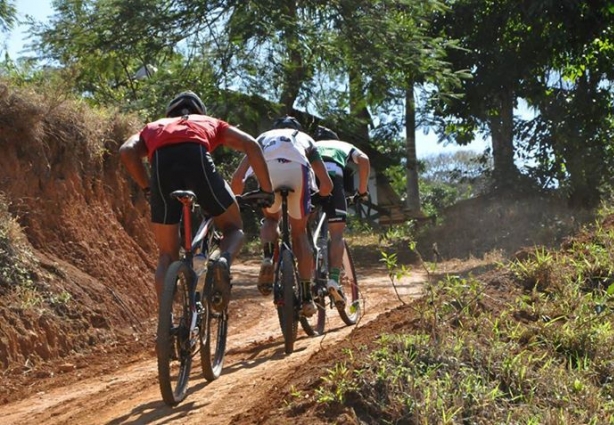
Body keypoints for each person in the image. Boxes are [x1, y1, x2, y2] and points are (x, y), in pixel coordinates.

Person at [119, 90, 274, 313]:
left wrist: (148, 187)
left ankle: (167, 320)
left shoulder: (154, 126)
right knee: (233, 228)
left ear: (169, 112)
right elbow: (252, 145)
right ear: (200, 111)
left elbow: (126, 151)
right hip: (197, 158)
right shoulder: (210, 122)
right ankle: (223, 262)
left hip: (161, 167)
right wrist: (266, 190)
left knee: (166, 255)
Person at [231, 116, 333, 317]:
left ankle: (269, 256)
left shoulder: (263, 137)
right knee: (299, 233)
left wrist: (236, 200)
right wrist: (319, 198)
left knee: (270, 219)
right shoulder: (305, 139)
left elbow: (238, 177)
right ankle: (305, 297)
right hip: (298, 170)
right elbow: (326, 183)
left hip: (269, 170)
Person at [313, 125, 370, 306]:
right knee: (336, 234)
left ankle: (305, 279)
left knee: (301, 230)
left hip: (310, 179)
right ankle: (334, 280)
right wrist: (362, 191)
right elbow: (364, 160)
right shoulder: (342, 145)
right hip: (333, 180)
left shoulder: (310, 144)